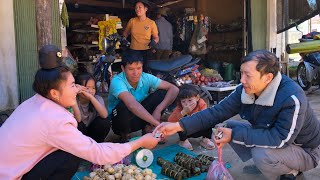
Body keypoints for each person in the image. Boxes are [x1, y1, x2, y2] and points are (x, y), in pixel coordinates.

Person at [154, 50, 320, 180]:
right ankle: (269, 164)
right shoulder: (245, 90)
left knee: (262, 154)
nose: (242, 80)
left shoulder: (292, 98)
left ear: (268, 77)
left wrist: (234, 135)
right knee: (227, 127)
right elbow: (216, 112)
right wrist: (178, 125)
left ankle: (292, 172)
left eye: (248, 75)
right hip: (277, 137)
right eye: (241, 73)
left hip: (306, 149)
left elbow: (280, 138)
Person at [0, 45, 160, 180]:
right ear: (54, 93)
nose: (76, 90)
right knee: (70, 157)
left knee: (68, 153)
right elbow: (99, 154)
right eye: (71, 86)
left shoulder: (35, 102)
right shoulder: (54, 119)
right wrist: (140, 142)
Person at [108, 52, 179, 142]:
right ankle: (125, 135)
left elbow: (174, 89)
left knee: (162, 93)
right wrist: (158, 124)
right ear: (123, 69)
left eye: (139, 68)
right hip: (119, 122)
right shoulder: (117, 81)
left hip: (140, 117)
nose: (136, 73)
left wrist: (158, 110)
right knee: (124, 105)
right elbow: (132, 105)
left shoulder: (146, 77)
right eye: (131, 69)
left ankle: (148, 128)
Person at [168, 84, 214, 150]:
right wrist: (183, 112)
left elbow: (206, 117)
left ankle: (205, 139)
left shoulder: (201, 104)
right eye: (183, 101)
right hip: (187, 131)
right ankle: (184, 141)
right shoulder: (180, 107)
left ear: (197, 98)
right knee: (179, 123)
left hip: (199, 128)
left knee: (210, 119)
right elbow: (170, 120)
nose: (187, 104)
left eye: (190, 100)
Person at [72, 72, 110, 143]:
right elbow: (78, 119)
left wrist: (91, 98)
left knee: (105, 122)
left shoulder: (97, 98)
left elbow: (104, 115)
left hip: (92, 131)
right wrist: (74, 94)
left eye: (93, 88)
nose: (91, 91)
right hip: (80, 133)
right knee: (78, 124)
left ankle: (97, 145)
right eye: (87, 88)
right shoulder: (74, 100)